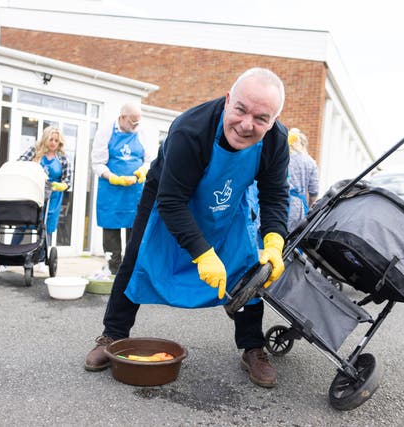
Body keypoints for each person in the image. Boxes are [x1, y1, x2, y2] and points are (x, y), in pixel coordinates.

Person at [84, 67, 290, 388]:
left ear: (274, 120)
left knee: (250, 266)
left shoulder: (276, 141)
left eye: (262, 118)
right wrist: (203, 254)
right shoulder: (190, 130)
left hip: (229, 196)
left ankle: (252, 346)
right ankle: (112, 335)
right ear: (227, 101)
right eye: (240, 110)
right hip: (169, 193)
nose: (247, 124)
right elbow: (171, 201)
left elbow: (275, 196)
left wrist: (275, 243)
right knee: (137, 256)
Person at [90, 102, 154, 279]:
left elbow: (149, 159)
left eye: (138, 122)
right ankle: (112, 270)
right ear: (122, 117)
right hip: (111, 193)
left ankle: (132, 273)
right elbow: (97, 163)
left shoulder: (141, 132)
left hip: (135, 192)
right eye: (133, 122)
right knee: (111, 231)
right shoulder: (105, 132)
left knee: (135, 232)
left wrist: (143, 171)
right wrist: (112, 177)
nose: (135, 126)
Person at [11, 126, 72, 272]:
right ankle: (10, 258)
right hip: (33, 193)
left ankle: (42, 260)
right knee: (22, 224)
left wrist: (62, 185)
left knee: (46, 227)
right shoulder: (35, 151)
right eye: (50, 139)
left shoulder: (63, 157)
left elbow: (68, 180)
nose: (53, 143)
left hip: (53, 196)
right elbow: (20, 163)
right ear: (45, 139)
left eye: (56, 140)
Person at [286, 128, 319, 232]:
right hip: (299, 207)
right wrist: (309, 208)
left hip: (278, 200)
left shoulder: (282, 157)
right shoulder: (310, 162)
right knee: (292, 240)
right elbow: (314, 192)